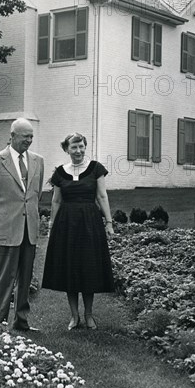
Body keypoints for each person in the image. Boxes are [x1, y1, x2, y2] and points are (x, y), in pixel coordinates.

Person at [42, 132, 115, 330]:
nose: (78, 151)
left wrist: (108, 222)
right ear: (66, 150)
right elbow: (56, 201)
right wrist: (51, 225)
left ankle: (89, 315)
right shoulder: (59, 172)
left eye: (81, 146)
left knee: (88, 267)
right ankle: (74, 316)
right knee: (70, 269)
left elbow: (102, 196)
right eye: (74, 147)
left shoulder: (96, 169)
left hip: (90, 223)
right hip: (66, 225)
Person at [0, 118, 45, 331]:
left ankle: (21, 322)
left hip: (29, 231)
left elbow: (35, 195)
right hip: (7, 229)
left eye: (31, 136)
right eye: (25, 136)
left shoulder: (38, 161)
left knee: (25, 279)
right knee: (3, 279)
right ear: (12, 136)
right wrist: (1, 218)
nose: (29, 140)